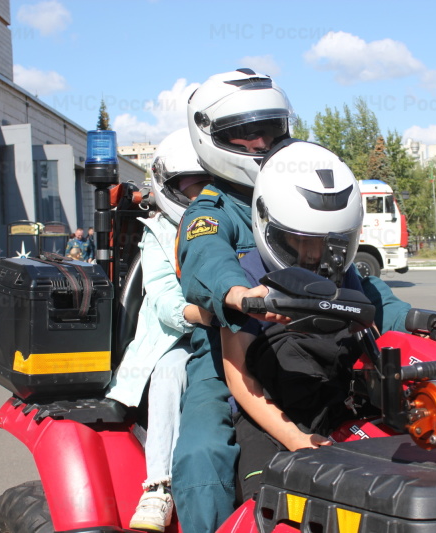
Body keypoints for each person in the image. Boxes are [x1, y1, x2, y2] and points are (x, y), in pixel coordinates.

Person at [218, 140, 411, 500]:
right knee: (267, 502)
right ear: (268, 225)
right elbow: (238, 376)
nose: (311, 254)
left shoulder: (345, 274)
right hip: (266, 418)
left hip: (331, 404)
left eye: (325, 243)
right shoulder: (245, 279)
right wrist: (295, 440)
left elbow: (364, 338)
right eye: (298, 239)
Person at [172, 68, 292, 533]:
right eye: (244, 134)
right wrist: (241, 294)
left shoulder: (293, 196)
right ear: (210, 136)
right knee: (202, 453)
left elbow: (353, 276)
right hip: (225, 354)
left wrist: (429, 321)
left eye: (269, 129)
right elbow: (207, 260)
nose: (260, 143)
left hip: (309, 344)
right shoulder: (210, 210)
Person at [103, 129, 213, 533]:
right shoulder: (159, 233)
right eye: (196, 187)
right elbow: (168, 308)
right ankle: (159, 485)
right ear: (172, 188)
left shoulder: (231, 223)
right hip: (177, 336)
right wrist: (218, 310)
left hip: (227, 329)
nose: (205, 197)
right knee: (171, 371)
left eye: (212, 186)